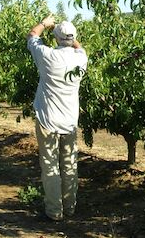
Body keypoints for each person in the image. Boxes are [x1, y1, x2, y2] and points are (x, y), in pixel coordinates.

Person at [27, 14, 88, 221]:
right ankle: (70, 207)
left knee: (50, 166)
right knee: (70, 165)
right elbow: (77, 46)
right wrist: (70, 37)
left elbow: (32, 35)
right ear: (74, 39)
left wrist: (45, 23)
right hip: (70, 121)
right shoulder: (81, 58)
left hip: (48, 120)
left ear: (56, 39)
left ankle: (54, 212)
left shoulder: (48, 55)